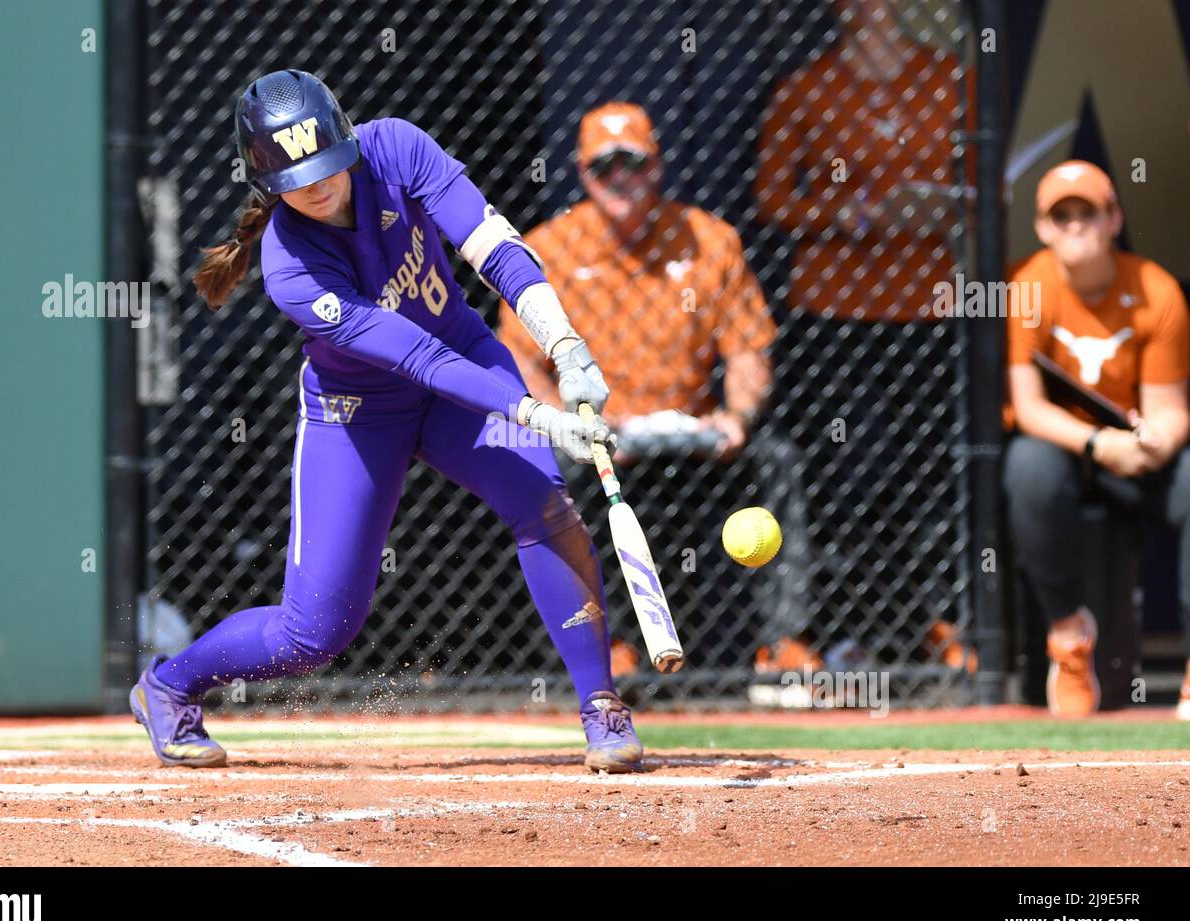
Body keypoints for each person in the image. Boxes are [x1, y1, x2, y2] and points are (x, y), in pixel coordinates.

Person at [129, 69, 646, 772]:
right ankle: (170, 682)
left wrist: (565, 345)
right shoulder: (290, 267)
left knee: (544, 503)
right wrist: (536, 411)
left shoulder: (396, 147)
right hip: (359, 413)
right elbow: (418, 358)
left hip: (464, 355)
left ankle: (602, 707)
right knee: (316, 632)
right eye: (295, 175)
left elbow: (491, 243)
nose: (319, 185)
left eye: (327, 162)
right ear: (264, 180)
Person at [498, 102, 814, 675]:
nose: (621, 177)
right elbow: (519, 359)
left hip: (692, 431)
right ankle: (607, 645)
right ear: (581, 171)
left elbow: (748, 348)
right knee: (553, 472)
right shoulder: (551, 248)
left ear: (658, 167)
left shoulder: (709, 239)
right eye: (604, 166)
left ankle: (782, 647)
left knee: (778, 461)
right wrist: (570, 423)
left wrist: (737, 417)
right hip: (599, 437)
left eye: (634, 163)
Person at [754, 0, 974, 668]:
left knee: (931, 469)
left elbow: (981, 186)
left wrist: (940, 204)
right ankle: (811, 629)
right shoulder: (807, 86)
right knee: (829, 470)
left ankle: (941, 621)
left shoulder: (948, 79)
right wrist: (847, 212)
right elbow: (771, 197)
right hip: (832, 306)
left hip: (927, 305)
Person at [1004, 160, 1190, 718]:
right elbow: (1030, 407)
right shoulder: (1024, 286)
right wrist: (1096, 444)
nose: (1075, 225)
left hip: (1135, 454)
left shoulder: (1156, 290)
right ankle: (1070, 641)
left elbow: (1172, 410)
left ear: (1115, 219)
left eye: (1089, 212)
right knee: (1027, 468)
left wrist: (1153, 440)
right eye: (1061, 216)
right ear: (1041, 228)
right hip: (1069, 451)